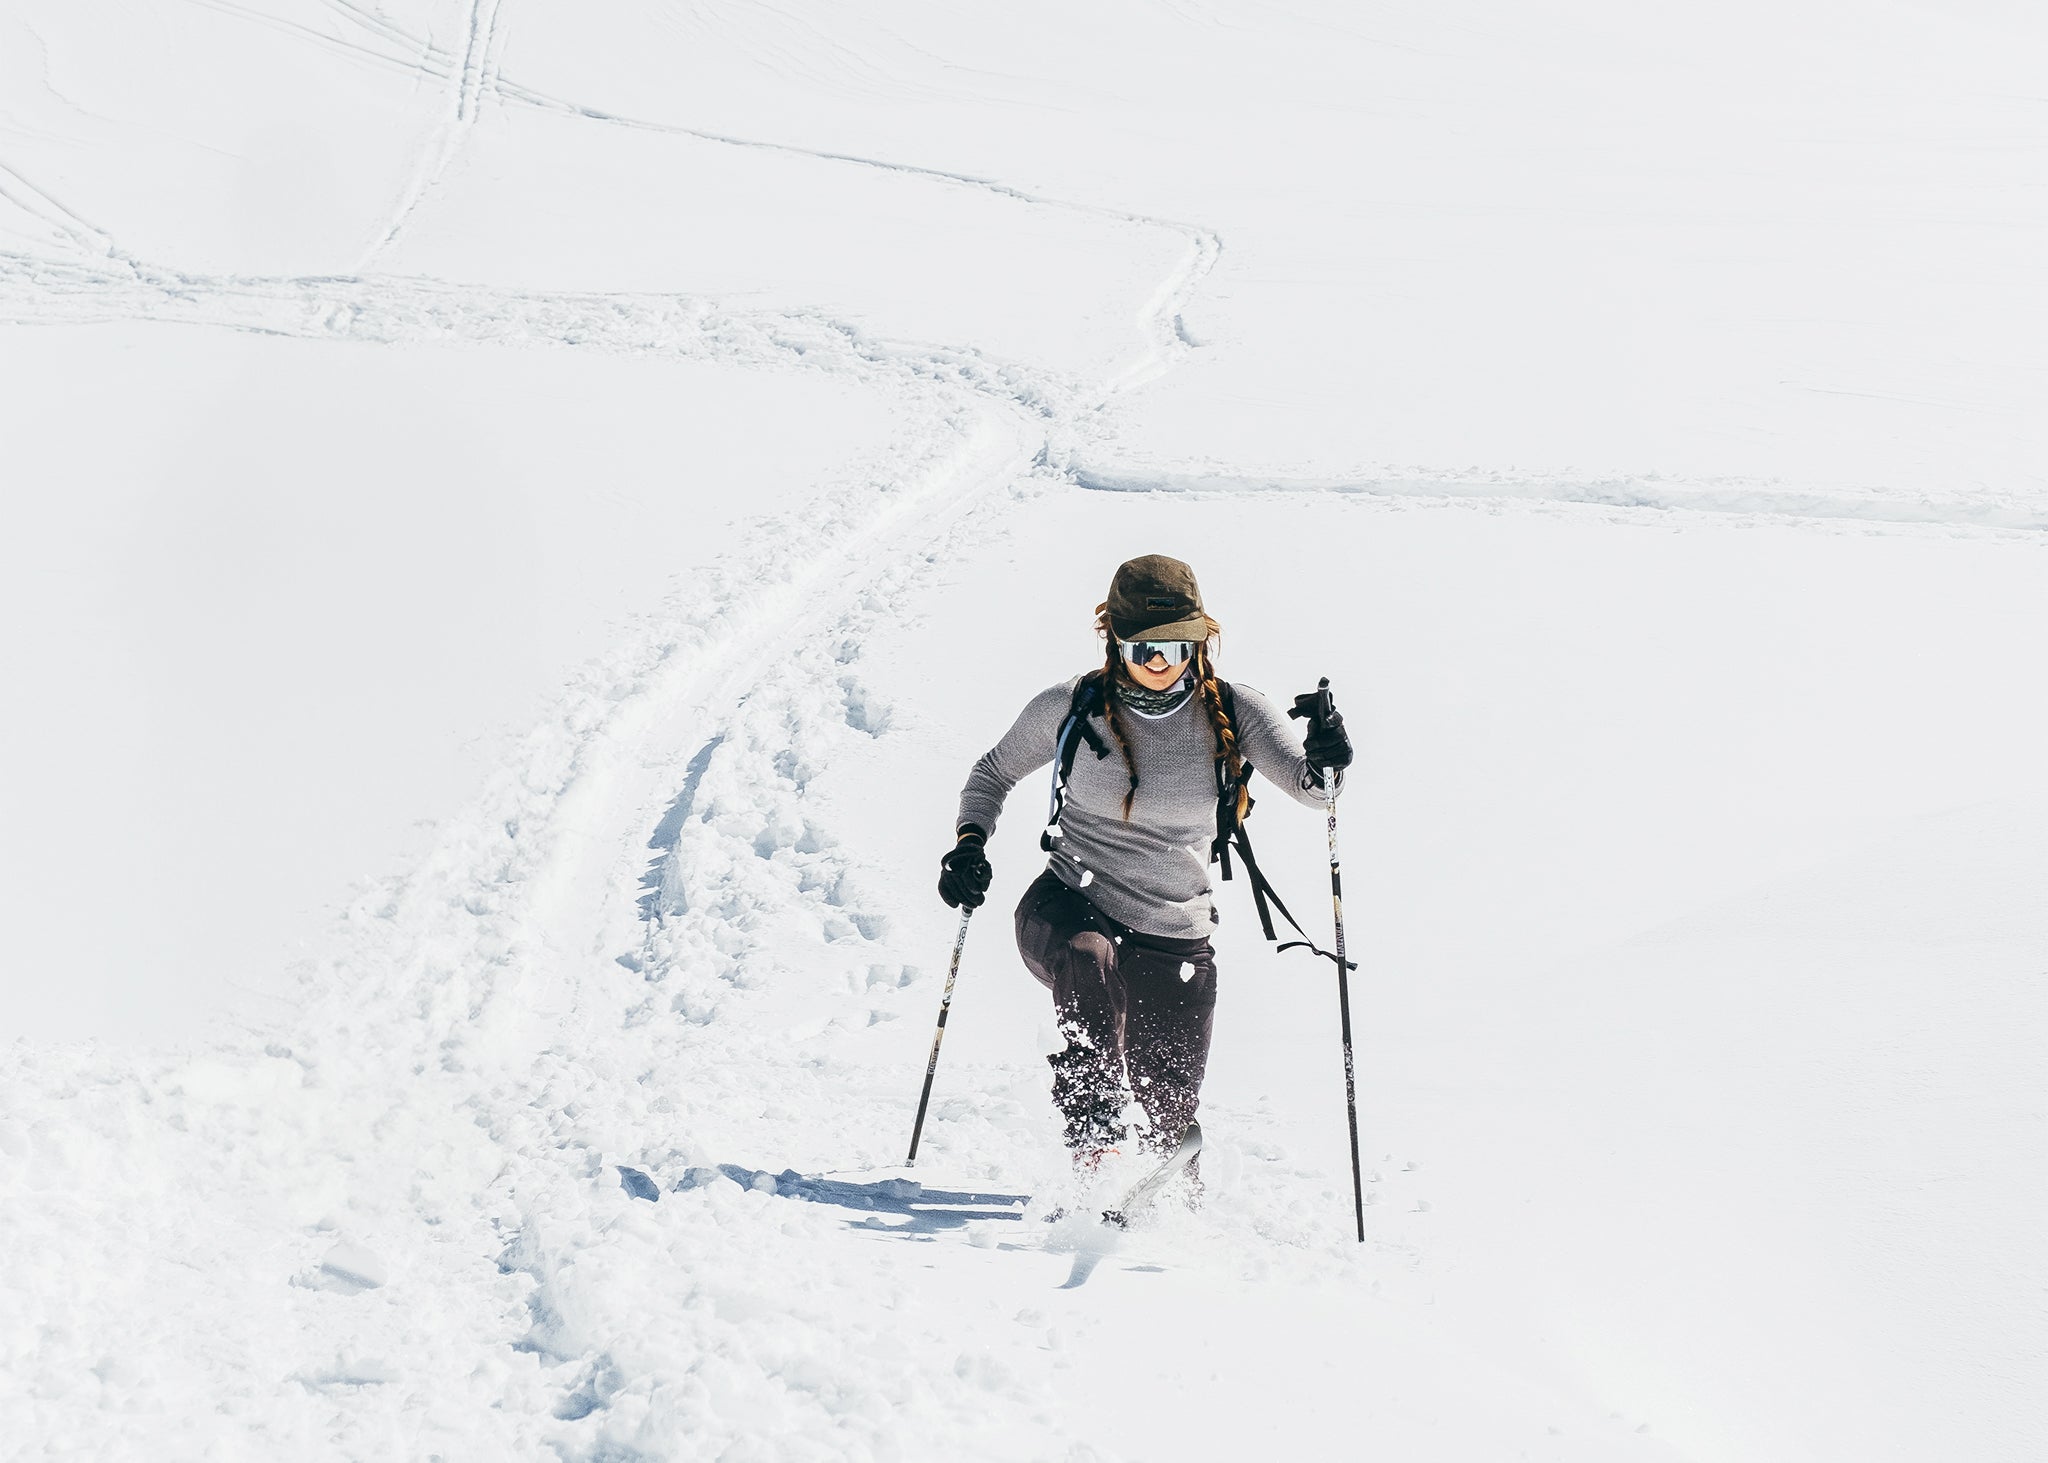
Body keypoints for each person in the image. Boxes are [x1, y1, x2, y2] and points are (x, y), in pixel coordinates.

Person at [937, 554, 1352, 1170]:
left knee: (1170, 1121)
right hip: (1068, 901)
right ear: (1113, 643)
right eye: (1142, 650)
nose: (1160, 664)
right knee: (1087, 960)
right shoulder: (1072, 705)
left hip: (1175, 930)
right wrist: (970, 841)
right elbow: (993, 771)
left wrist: (1327, 757)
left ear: (1200, 645)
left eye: (1176, 648)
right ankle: (1095, 1144)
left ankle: (1170, 1203)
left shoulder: (1237, 712)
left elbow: (1317, 791)